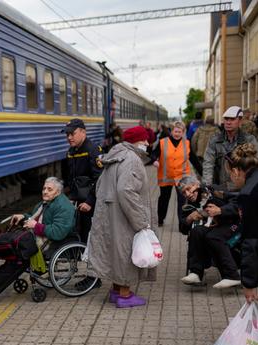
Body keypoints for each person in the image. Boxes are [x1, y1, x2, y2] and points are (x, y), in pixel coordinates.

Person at [0, 177, 75, 306]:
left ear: (58, 192)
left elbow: (58, 232)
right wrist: (23, 216)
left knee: (16, 262)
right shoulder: (47, 203)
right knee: (12, 259)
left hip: (52, 245)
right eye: (44, 188)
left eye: (49, 189)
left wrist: (35, 226)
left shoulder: (64, 207)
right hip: (38, 240)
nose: (45, 191)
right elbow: (34, 216)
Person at [87, 126, 153, 308]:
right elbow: (126, 190)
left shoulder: (115, 155)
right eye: (145, 140)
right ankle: (125, 295)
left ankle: (116, 291)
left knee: (116, 251)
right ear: (136, 142)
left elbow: (101, 186)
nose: (147, 143)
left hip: (111, 213)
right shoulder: (132, 159)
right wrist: (140, 220)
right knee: (125, 251)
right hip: (124, 215)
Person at [176, 175, 241, 288]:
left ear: (197, 184)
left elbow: (238, 202)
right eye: (183, 192)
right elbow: (183, 229)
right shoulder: (189, 204)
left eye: (188, 189)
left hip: (234, 223)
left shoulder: (213, 190)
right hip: (216, 226)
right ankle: (195, 273)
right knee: (197, 231)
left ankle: (232, 276)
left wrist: (220, 210)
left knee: (213, 236)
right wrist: (189, 218)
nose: (187, 194)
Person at [60, 118, 102, 242]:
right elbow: (69, 177)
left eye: (72, 134)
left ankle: (88, 258)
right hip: (77, 200)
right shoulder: (71, 151)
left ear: (83, 132)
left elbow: (100, 179)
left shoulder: (93, 150)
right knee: (78, 232)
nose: (69, 137)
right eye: (67, 134)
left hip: (90, 203)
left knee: (88, 234)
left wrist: (90, 201)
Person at [227, 145, 258, 302]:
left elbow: (251, 242)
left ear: (236, 171)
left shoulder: (247, 193)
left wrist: (249, 283)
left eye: (230, 175)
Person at [202, 106, 258, 191]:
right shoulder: (214, 140)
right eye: (226, 119)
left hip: (243, 188)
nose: (228, 122)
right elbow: (208, 164)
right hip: (221, 188)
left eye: (232, 119)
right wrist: (207, 187)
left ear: (240, 121)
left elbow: (255, 163)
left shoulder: (249, 139)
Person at [150, 121, 191, 228]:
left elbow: (194, 160)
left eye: (180, 132)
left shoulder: (187, 143)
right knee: (164, 198)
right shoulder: (163, 142)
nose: (177, 134)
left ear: (183, 132)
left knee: (182, 200)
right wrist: (154, 160)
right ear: (172, 131)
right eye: (175, 131)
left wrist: (202, 173)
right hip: (166, 176)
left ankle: (182, 223)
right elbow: (154, 153)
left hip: (181, 177)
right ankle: (160, 219)